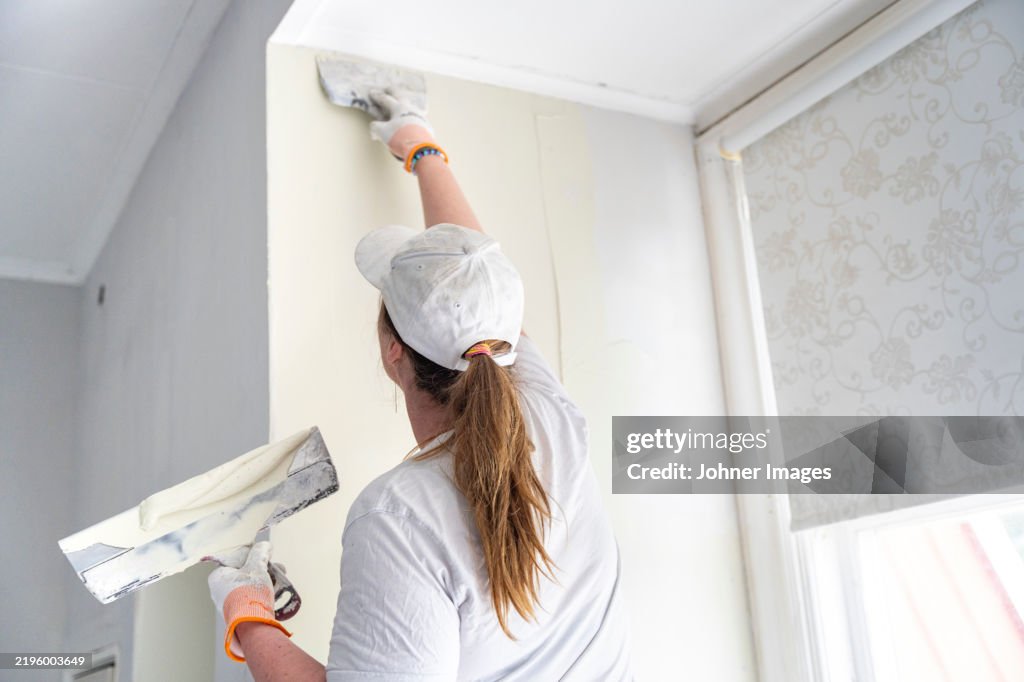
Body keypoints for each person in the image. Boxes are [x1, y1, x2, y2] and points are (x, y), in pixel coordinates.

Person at [207, 87, 633, 681]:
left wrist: (246, 610)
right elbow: (471, 281)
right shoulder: (547, 412)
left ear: (391, 354)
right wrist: (420, 145)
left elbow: (469, 289)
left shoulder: (398, 520)